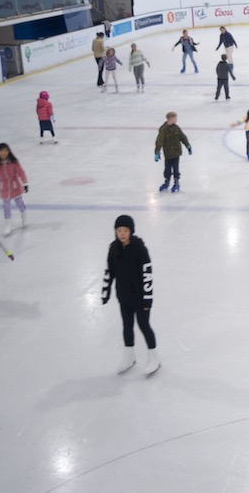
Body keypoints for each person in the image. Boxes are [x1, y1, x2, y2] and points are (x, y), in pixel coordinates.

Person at [103, 214, 160, 377]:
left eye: (125, 230)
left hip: (141, 298)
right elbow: (110, 271)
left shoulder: (140, 249)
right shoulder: (113, 249)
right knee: (127, 326)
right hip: (124, 297)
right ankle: (129, 356)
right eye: (119, 230)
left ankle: (154, 357)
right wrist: (106, 291)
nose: (122, 233)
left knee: (143, 325)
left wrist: (148, 298)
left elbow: (147, 273)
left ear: (131, 231)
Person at [0, 143, 28, 236]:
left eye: (6, 150)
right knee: (6, 207)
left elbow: (21, 172)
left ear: (9, 151)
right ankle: (8, 225)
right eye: (1, 151)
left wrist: (25, 183)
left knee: (19, 203)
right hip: (4, 188)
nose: (4, 153)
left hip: (15, 187)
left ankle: (24, 217)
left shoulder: (13, 162)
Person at [154, 111, 192, 193]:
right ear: (171, 119)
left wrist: (188, 145)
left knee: (176, 169)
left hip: (176, 152)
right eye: (175, 118)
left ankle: (176, 182)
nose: (176, 120)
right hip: (168, 153)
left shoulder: (176, 128)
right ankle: (166, 182)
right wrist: (157, 151)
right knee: (167, 169)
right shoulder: (163, 129)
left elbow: (183, 137)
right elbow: (159, 141)